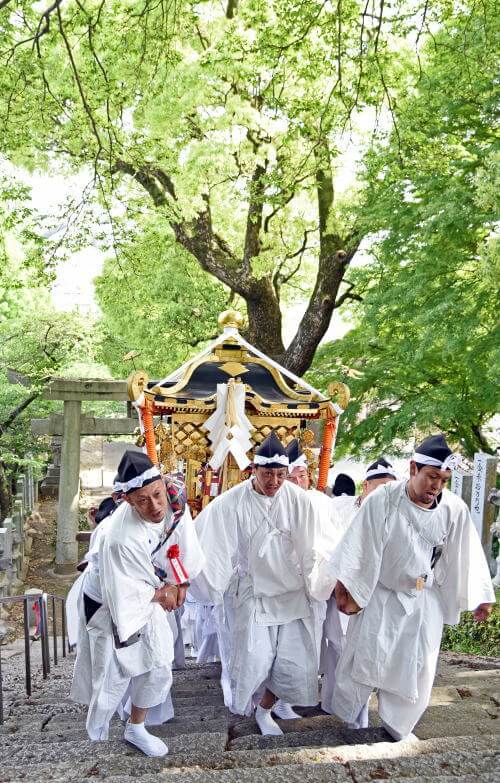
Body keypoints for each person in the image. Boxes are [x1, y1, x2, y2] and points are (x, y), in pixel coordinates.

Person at [330, 434, 495, 741]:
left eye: (443, 481)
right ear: (413, 468)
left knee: (417, 666)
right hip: (381, 593)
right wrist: (347, 590)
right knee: (364, 658)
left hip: (423, 598)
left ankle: (398, 728)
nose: (436, 486)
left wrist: (480, 597)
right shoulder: (383, 499)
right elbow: (358, 547)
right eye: (431, 477)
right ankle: (354, 718)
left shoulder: (453, 510)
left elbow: (465, 554)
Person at [190, 431, 337, 736]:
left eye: (281, 475)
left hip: (292, 594)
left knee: (292, 661)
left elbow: (314, 546)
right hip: (255, 593)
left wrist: (318, 582)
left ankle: (266, 708)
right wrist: (215, 583)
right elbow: (212, 544)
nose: (274, 482)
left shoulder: (299, 500)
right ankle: (257, 703)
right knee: (256, 658)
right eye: (267, 474)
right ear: (253, 471)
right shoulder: (230, 502)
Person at [71, 450, 204, 756]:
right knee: (111, 670)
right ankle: (98, 737)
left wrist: (180, 581)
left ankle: (136, 726)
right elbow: (124, 593)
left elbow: (184, 544)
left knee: (158, 661)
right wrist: (163, 594)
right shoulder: (120, 537)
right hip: (110, 602)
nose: (155, 506)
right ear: (128, 500)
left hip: (149, 592)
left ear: (162, 484)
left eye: (157, 494)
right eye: (142, 500)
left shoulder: (175, 499)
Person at [321, 457, 397, 723]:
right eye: (380, 487)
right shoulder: (339, 507)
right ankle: (333, 704)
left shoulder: (393, 515)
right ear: (365, 486)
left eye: (391, 487)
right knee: (336, 649)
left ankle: (358, 713)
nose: (385, 493)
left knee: (361, 654)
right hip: (340, 591)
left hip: (372, 597)